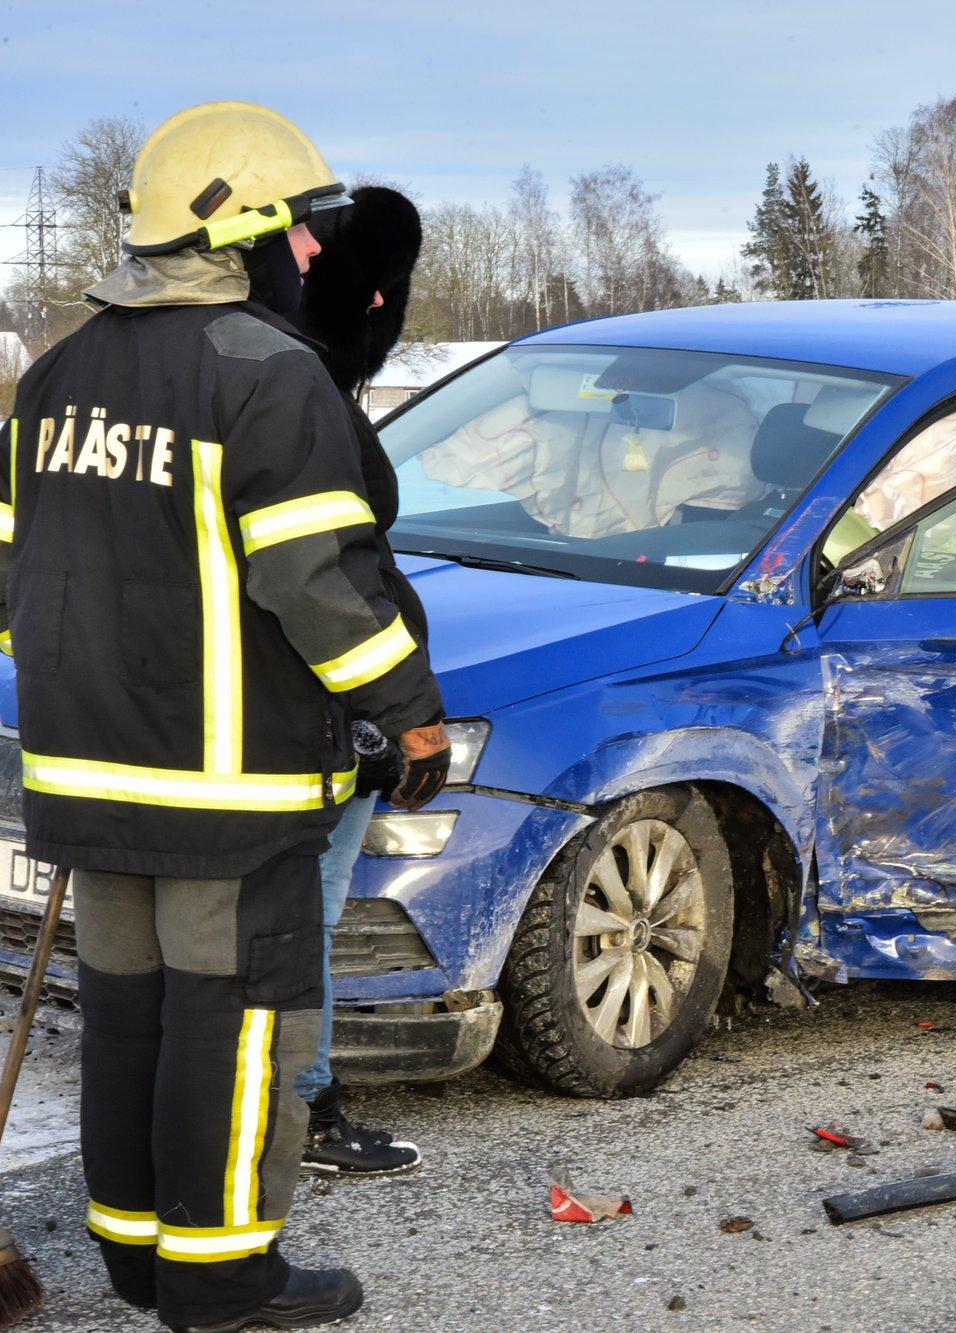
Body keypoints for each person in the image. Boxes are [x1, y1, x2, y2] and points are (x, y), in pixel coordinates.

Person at [0, 101, 449, 1331]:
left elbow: (15, 574)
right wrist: (409, 714)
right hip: (228, 788)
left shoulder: (58, 372)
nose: (315, 252)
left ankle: (138, 1257)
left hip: (89, 776)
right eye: (301, 227)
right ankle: (222, 1278)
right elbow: (320, 584)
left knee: (129, 1020)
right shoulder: (267, 374)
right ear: (244, 233)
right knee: (238, 1022)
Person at [288, 185, 431, 1178]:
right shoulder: (296, 397)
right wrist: (395, 716)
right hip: (306, 715)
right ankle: (300, 1107)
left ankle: (282, 1100)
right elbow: (320, 581)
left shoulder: (247, 377)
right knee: (298, 921)